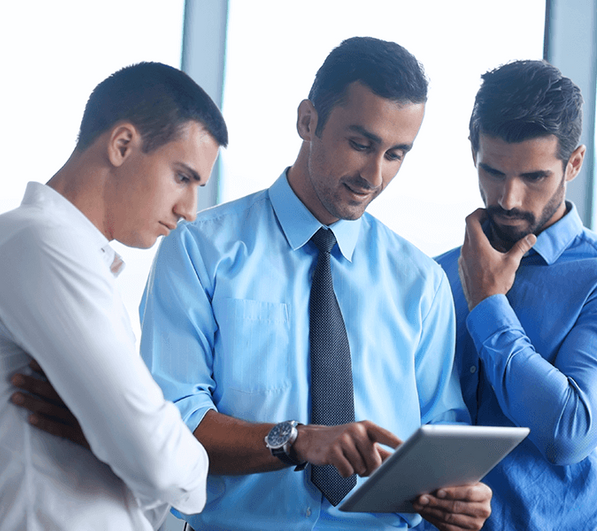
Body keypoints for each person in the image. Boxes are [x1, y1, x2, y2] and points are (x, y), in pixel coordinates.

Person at [138, 37, 493, 530]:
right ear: (308, 121)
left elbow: (442, 431)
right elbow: (170, 421)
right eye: (361, 144)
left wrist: (458, 497)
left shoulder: (422, 282)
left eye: (396, 154)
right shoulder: (201, 252)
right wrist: (297, 440)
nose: (374, 175)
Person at [434, 59, 597, 530]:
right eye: (492, 171)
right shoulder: (435, 275)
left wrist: (487, 305)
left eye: (534, 177)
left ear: (573, 163)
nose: (509, 198)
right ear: (473, 152)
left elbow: (568, 432)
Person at [1, 62, 228, 530]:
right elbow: (162, 466)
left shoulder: (73, 255)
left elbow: (150, 469)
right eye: (182, 177)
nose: (189, 211)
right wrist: (136, 444)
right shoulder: (42, 244)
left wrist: (113, 436)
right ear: (122, 145)